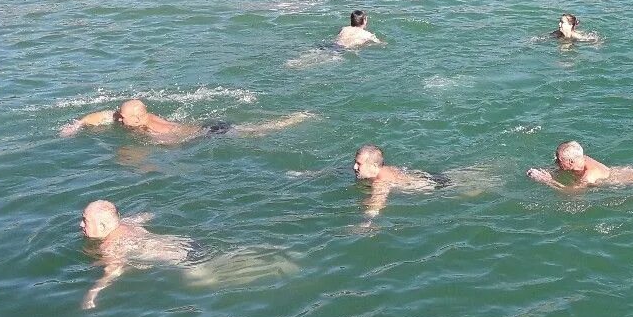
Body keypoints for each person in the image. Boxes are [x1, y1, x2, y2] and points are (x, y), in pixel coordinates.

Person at [78, 200, 195, 309]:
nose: (81, 225)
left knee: (205, 284)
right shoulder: (127, 223)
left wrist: (91, 294)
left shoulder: (111, 245)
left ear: (102, 226)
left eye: (85, 221)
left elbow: (113, 271)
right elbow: (147, 215)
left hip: (188, 261)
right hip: (187, 243)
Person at [60, 99, 310, 145]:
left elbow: (174, 143)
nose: (119, 120)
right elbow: (105, 115)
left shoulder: (148, 127)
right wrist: (78, 124)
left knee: (254, 133)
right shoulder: (138, 117)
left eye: (123, 118)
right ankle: (291, 120)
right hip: (203, 127)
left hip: (207, 133)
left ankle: (291, 121)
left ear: (136, 117)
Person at [353, 145, 449, 219]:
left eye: (359, 164)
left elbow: (377, 204)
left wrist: (366, 222)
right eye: (355, 162)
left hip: (440, 188)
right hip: (432, 177)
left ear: (373, 166)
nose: (354, 167)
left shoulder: (380, 181)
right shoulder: (386, 169)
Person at [527, 141, 633, 190]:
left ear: (571, 162)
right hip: (624, 171)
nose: (556, 162)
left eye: (559, 160)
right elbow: (561, 169)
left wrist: (547, 181)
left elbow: (572, 193)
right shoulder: (580, 158)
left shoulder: (589, 176)